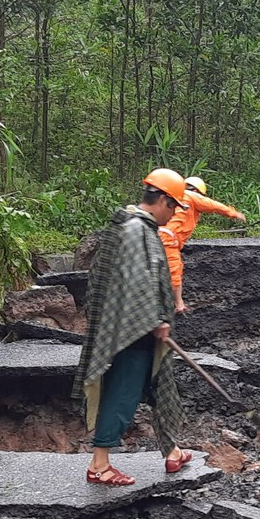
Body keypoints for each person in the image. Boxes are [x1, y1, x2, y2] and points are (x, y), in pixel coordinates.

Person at [75, 172, 193, 486]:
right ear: (165, 200)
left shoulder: (137, 227)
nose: (174, 214)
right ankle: (99, 465)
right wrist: (156, 320)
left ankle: (173, 450)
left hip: (139, 327)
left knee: (160, 386)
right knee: (123, 393)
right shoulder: (135, 230)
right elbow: (135, 281)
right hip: (133, 331)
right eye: (175, 207)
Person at [154, 169, 246, 314]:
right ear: (197, 191)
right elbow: (213, 205)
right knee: (174, 272)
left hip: (158, 236)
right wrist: (233, 213)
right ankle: (178, 304)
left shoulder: (173, 197)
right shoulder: (191, 196)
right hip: (168, 240)